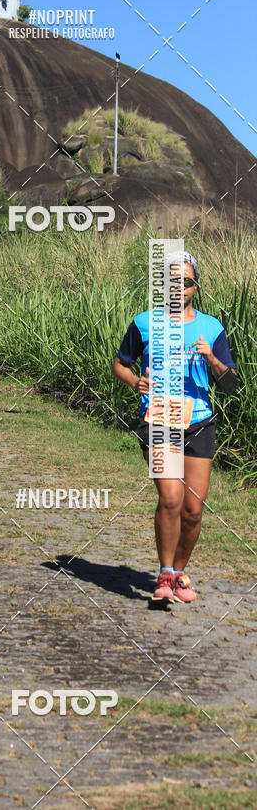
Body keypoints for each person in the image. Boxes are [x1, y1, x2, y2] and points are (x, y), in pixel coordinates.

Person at [113, 251, 240, 605]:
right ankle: (165, 572)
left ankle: (179, 573)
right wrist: (135, 381)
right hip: (158, 418)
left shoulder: (212, 327)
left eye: (185, 281)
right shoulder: (144, 323)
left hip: (198, 421)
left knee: (193, 509)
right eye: (171, 281)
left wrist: (212, 358)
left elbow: (231, 384)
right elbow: (119, 364)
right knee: (170, 497)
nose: (178, 287)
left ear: (194, 286)